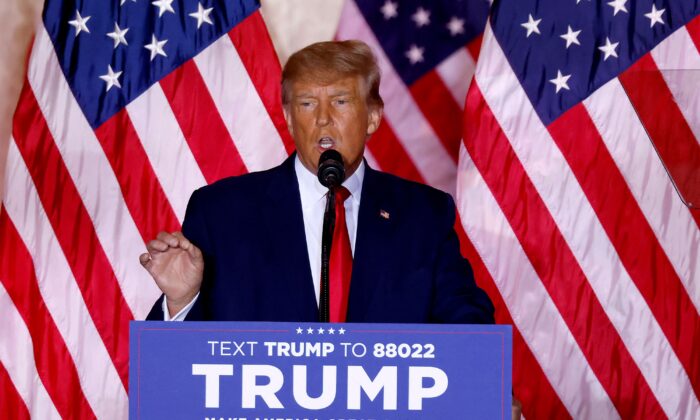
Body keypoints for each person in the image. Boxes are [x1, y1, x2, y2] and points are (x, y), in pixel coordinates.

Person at [140, 40, 494, 325]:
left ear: (372, 117)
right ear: (290, 119)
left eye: (340, 101)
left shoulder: (423, 215)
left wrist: (488, 390)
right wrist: (182, 300)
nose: (324, 120)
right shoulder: (222, 213)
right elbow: (178, 368)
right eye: (307, 103)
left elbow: (465, 325)